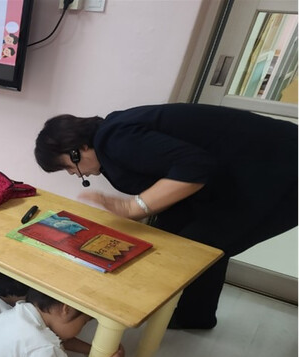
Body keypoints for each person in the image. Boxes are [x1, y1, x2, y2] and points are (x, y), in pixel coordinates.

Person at [34, 103, 298, 329]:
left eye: (69, 167)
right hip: (249, 173)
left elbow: (195, 167)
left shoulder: (116, 139)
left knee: (198, 247)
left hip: (281, 168)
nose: (74, 174)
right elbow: (171, 181)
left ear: (78, 148)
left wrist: (133, 207)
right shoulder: (112, 140)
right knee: (177, 241)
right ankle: (195, 316)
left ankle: (191, 316)